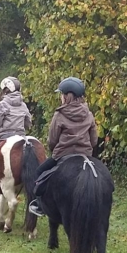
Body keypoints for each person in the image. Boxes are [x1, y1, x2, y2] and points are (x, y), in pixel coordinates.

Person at [27, 77, 96, 217]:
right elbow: (94, 140)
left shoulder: (60, 114)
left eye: (61, 94)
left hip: (63, 154)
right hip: (85, 155)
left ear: (66, 96)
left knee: (39, 171)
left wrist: (55, 151)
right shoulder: (89, 114)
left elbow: (52, 140)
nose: (61, 97)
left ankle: (39, 204)